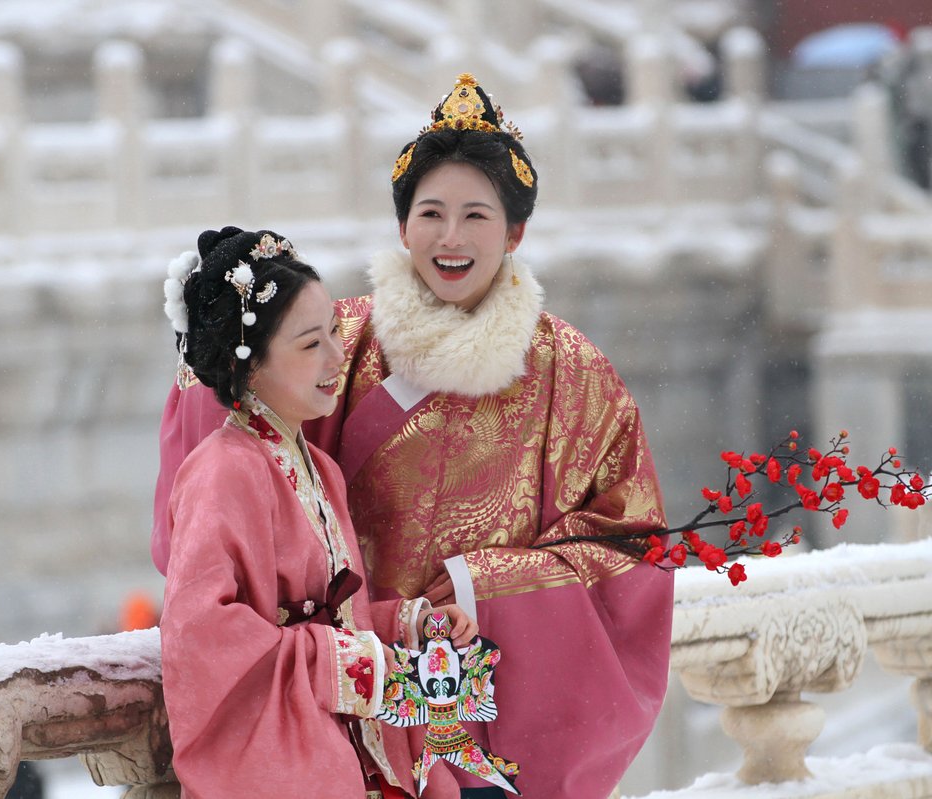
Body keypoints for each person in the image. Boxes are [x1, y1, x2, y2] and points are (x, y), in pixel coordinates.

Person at [154, 75, 674, 798]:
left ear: (515, 231)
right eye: (430, 212)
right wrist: (215, 333)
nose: (450, 237)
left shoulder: (575, 375)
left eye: (476, 215)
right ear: (403, 226)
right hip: (355, 729)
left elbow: (634, 551)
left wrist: (480, 586)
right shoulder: (338, 339)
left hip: (492, 721)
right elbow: (238, 435)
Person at [158, 226, 475, 799]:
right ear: (248, 366)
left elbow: (327, 619)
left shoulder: (317, 466)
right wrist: (339, 663)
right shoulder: (221, 472)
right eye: (310, 345)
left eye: (334, 332)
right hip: (291, 768)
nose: (337, 356)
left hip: (344, 751)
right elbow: (200, 636)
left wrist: (408, 623)